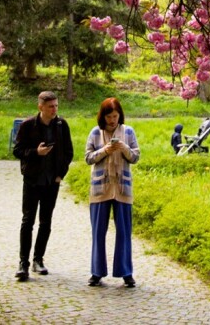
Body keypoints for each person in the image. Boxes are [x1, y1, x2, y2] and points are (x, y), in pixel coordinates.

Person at [12, 90, 72, 281]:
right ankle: (23, 263)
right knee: (28, 220)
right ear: (40, 107)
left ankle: (39, 259)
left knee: (46, 221)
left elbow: (68, 152)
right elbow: (17, 150)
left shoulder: (62, 125)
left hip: (51, 181)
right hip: (32, 180)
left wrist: (60, 174)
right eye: (50, 106)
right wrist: (35, 152)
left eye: (56, 106)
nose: (54, 109)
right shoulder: (28, 125)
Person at [85, 96, 141, 287]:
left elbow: (135, 157)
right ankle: (96, 271)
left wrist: (123, 147)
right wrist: (105, 151)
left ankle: (126, 272)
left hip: (123, 188)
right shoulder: (95, 133)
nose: (112, 120)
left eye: (115, 116)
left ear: (120, 115)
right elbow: (88, 158)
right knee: (98, 231)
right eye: (109, 117)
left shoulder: (128, 132)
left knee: (124, 232)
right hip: (100, 188)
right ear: (103, 117)